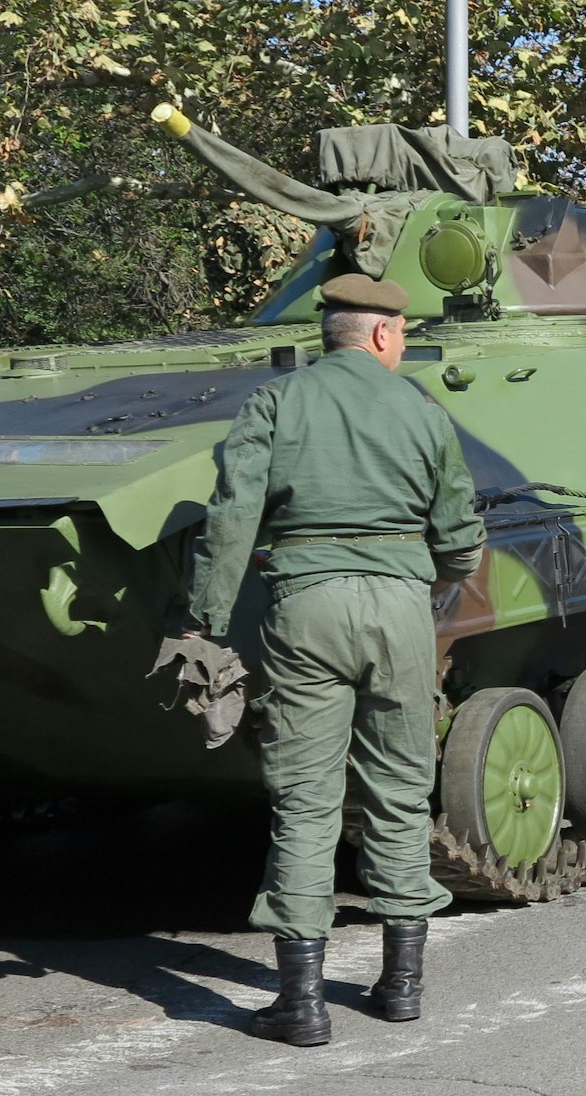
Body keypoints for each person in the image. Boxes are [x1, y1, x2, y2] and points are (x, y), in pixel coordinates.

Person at [184, 274, 484, 1047]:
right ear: (383, 335)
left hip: (305, 606)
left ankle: (303, 1001)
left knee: (307, 799)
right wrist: (426, 581)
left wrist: (206, 621)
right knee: (399, 789)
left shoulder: (277, 403)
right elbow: (459, 533)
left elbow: (230, 517)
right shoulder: (422, 408)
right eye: (405, 334)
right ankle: (401, 985)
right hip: (399, 608)